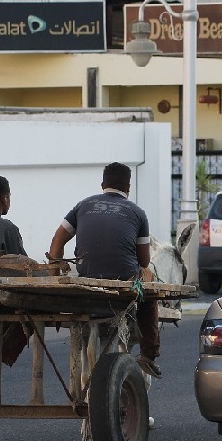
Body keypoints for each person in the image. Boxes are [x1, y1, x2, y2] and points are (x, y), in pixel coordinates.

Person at [48, 162, 162, 378]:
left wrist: (54, 280)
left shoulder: (82, 206)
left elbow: (56, 243)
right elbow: (144, 260)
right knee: (150, 279)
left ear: (103, 184)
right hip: (124, 280)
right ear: (128, 187)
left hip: (87, 278)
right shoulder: (138, 213)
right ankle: (150, 353)